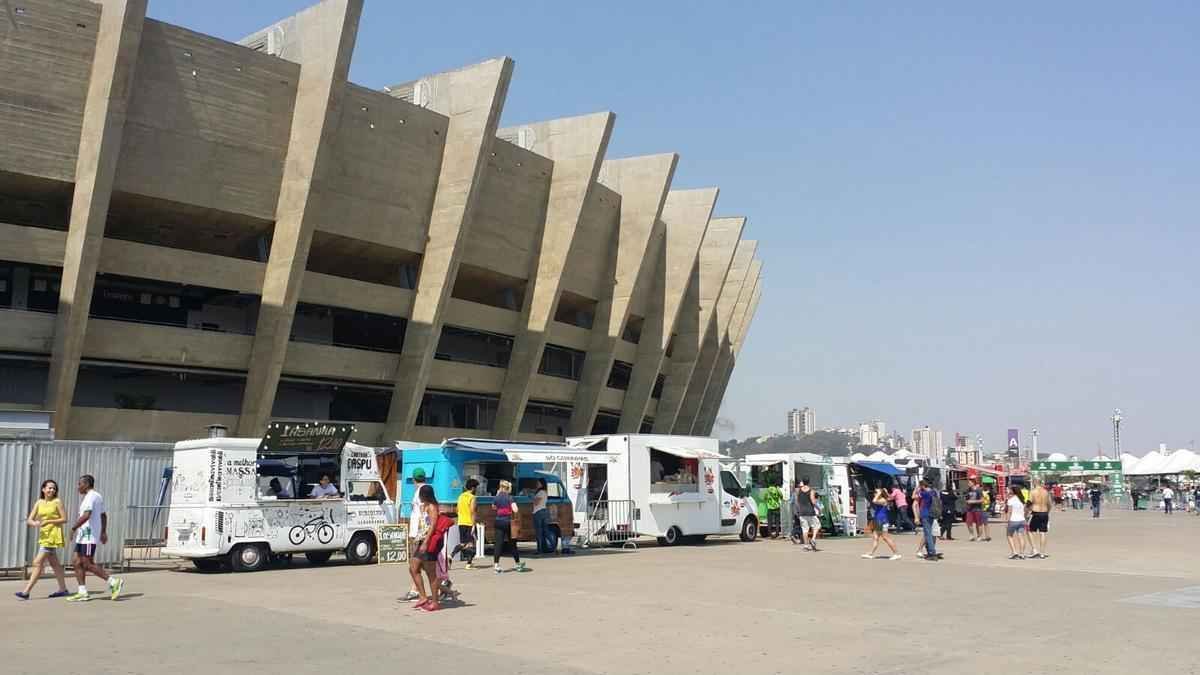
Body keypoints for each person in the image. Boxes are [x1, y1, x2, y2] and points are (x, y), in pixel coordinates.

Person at [67, 475, 124, 602]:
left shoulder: (91, 497)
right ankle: (82, 592)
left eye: (80, 484)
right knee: (76, 561)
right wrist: (103, 532)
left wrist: (73, 528)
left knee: (87, 563)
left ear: (86, 484)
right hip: (83, 536)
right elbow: (103, 515)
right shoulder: (96, 496)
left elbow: (87, 515)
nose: (78, 487)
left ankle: (113, 582)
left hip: (88, 536)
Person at [15, 480, 70, 601]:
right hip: (44, 535)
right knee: (55, 564)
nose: (52, 490)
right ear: (43, 489)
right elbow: (30, 519)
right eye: (49, 488)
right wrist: (35, 523)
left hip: (52, 536)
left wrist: (49, 521)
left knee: (37, 562)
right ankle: (63, 589)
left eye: (54, 488)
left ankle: (26, 592)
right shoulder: (39, 502)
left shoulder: (57, 502)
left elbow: (64, 519)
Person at [408, 485, 448, 612]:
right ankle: (423, 596)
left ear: (424, 495)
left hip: (430, 541)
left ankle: (435, 602)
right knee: (413, 568)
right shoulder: (425, 506)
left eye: (420, 494)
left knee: (431, 573)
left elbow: (433, 525)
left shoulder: (432, 507)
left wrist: (425, 542)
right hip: (422, 539)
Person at [402, 467, 429, 602]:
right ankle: (442, 583)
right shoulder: (424, 490)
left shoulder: (421, 491)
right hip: (420, 532)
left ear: (413, 479)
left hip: (419, 533)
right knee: (420, 564)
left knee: (415, 565)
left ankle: (416, 591)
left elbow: (423, 513)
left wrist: (418, 533)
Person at [493, 480, 527, 573]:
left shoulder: (497, 497)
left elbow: (493, 507)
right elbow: (515, 509)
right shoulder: (509, 497)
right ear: (508, 488)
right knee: (512, 544)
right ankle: (517, 564)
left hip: (498, 521)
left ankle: (496, 565)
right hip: (508, 522)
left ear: (500, 487)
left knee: (498, 544)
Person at [860, 487, 901, 560]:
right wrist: (879, 493)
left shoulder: (883, 500)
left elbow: (874, 501)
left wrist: (879, 493)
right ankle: (870, 553)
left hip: (882, 521)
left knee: (885, 538)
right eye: (875, 492)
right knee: (875, 537)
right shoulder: (881, 499)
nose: (874, 493)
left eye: (876, 492)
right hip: (878, 520)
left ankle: (896, 554)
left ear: (880, 494)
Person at [454, 479, 479, 568]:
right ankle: (468, 564)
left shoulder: (460, 496)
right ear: (473, 488)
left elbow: (457, 510)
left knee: (463, 543)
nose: (476, 490)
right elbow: (473, 511)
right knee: (471, 544)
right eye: (476, 488)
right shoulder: (472, 497)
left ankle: (451, 556)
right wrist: (473, 524)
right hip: (469, 523)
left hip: (461, 522)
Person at [792, 478, 821, 551]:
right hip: (810, 512)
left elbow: (797, 502)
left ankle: (806, 546)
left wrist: (798, 510)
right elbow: (813, 502)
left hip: (802, 512)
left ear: (803, 482)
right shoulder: (811, 491)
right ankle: (813, 539)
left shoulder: (798, 491)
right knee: (817, 525)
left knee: (805, 529)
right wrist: (818, 509)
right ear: (808, 482)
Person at [917, 481, 940, 560]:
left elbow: (914, 496)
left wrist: (917, 489)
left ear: (922, 486)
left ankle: (932, 553)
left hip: (925, 514)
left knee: (928, 534)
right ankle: (931, 551)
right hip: (932, 514)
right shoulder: (933, 492)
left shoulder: (924, 493)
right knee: (929, 533)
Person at [1028, 480, 1051, 559]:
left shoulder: (1033, 491)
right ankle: (1042, 552)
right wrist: (1047, 512)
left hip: (1035, 512)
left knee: (1030, 531)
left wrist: (1026, 512)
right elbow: (1049, 504)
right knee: (1043, 532)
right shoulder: (1046, 492)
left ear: (1034, 483)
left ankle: (1034, 549)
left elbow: (1029, 502)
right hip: (1044, 513)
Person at [1004, 485, 1028, 560]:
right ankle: (1022, 553)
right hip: (1022, 520)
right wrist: (1025, 518)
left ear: (1013, 491)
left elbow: (1009, 512)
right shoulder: (1022, 499)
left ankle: (1014, 552)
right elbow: (1025, 511)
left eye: (1010, 490)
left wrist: (1007, 521)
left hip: (1013, 520)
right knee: (1021, 536)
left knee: (1009, 535)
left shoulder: (1011, 500)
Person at [531, 479, 553, 555]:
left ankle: (539, 550)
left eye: (538, 483)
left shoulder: (541, 492)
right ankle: (553, 547)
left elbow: (536, 503)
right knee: (546, 531)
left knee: (539, 532)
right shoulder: (544, 492)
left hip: (538, 512)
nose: (537, 484)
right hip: (544, 511)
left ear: (542, 484)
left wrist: (532, 497)